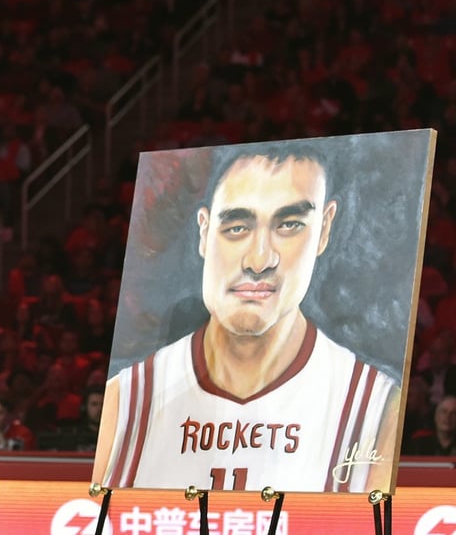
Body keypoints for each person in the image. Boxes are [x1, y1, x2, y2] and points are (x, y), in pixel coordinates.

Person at [93, 147, 399, 494]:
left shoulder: (373, 406)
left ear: (324, 229)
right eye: (237, 227)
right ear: (204, 231)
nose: (258, 260)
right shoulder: (128, 398)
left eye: (289, 225)